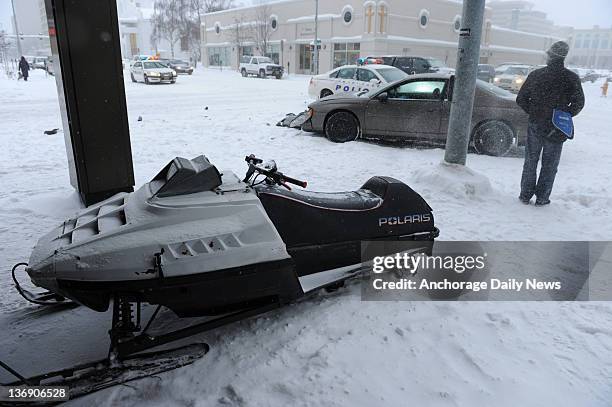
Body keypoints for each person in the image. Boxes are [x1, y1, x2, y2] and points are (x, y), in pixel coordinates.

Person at [516, 41, 585, 206]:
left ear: (550, 55)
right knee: (550, 165)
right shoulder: (571, 78)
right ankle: (542, 197)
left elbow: (521, 99)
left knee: (531, 162)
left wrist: (534, 112)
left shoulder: (536, 75)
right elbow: (579, 103)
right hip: (557, 128)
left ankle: (525, 195)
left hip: (536, 124)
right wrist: (565, 114)